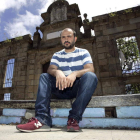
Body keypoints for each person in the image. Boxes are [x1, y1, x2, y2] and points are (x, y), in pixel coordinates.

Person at [16, 28, 98, 132]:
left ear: (75, 38)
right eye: (63, 37)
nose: (66, 39)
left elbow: (90, 68)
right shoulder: (57, 55)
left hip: (78, 89)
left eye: (69, 36)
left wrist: (75, 73)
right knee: (44, 76)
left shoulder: (83, 52)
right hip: (60, 88)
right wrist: (58, 72)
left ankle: (73, 118)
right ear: (61, 39)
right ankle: (42, 119)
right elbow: (51, 69)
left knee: (91, 76)